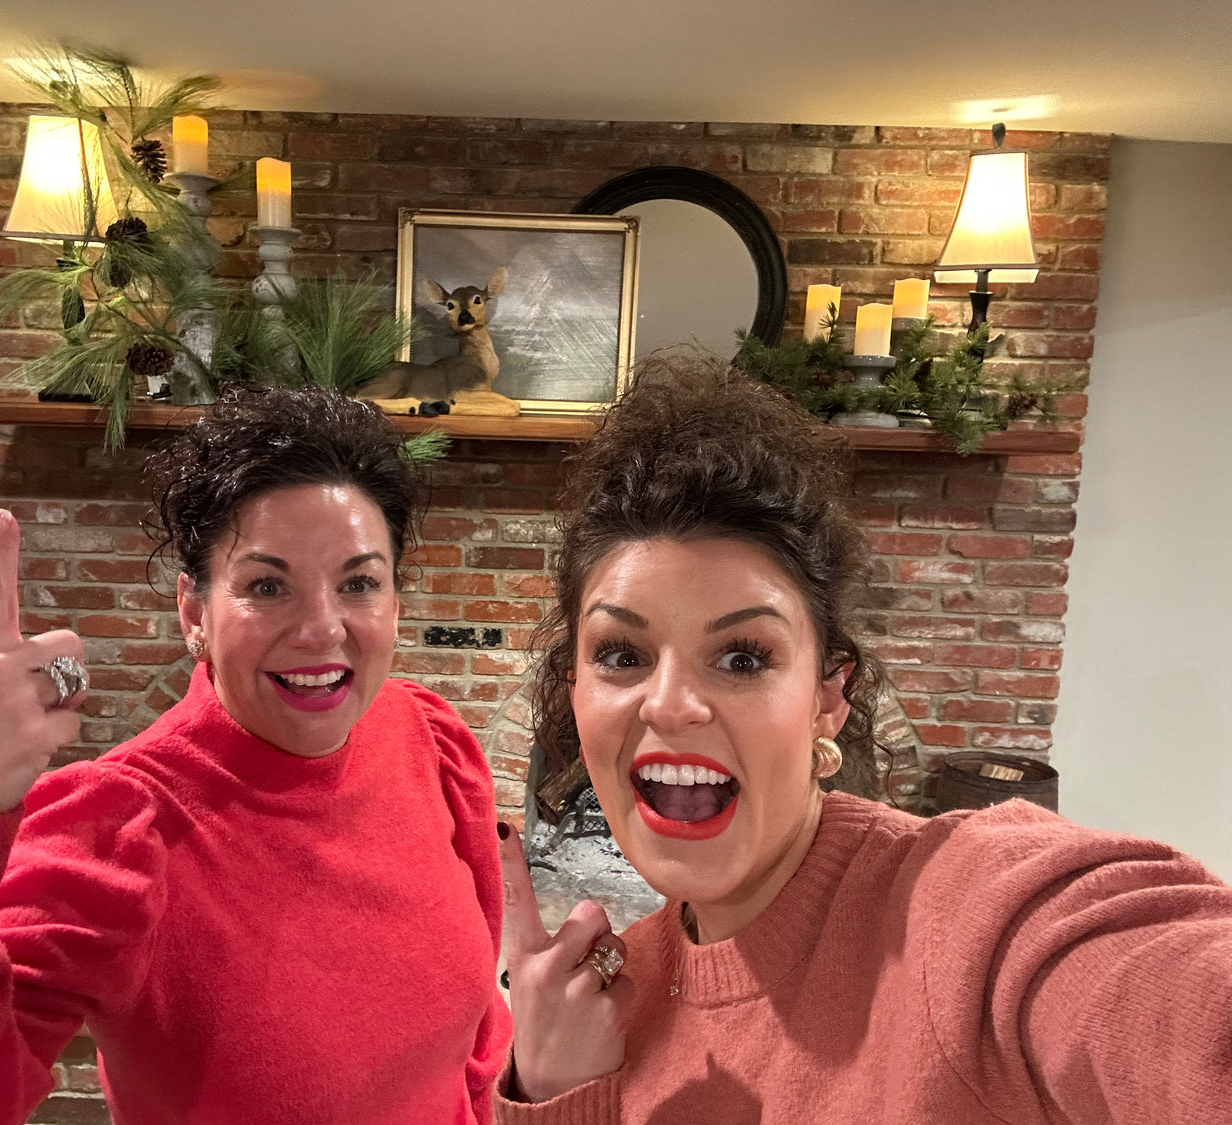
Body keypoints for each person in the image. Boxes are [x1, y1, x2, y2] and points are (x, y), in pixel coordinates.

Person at [494, 355, 1232, 1123]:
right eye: (622, 655)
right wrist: (551, 1091)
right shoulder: (612, 993)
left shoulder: (968, 910)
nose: (671, 704)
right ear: (574, 690)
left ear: (828, 697)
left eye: (743, 657)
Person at [0, 384, 511, 1125]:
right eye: (266, 585)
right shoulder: (119, 830)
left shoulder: (425, 735)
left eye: (359, 582)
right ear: (194, 611)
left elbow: (475, 1042)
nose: (322, 627)